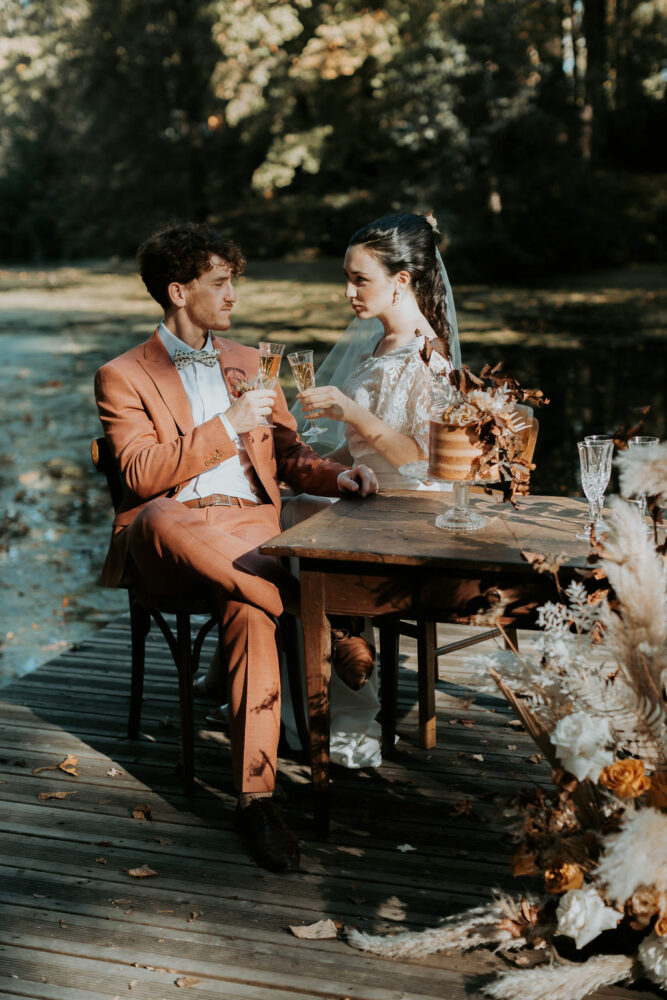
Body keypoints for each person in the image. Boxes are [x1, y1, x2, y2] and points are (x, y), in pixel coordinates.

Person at [93, 221, 378, 874]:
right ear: (178, 291)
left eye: (233, 282)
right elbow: (138, 475)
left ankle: (256, 800)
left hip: (249, 537)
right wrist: (226, 425)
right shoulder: (122, 375)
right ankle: (315, 619)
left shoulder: (252, 362)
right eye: (219, 283)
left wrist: (338, 476)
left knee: (249, 611)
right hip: (170, 540)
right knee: (157, 514)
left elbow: (290, 455)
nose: (232, 296)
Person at [281, 212, 461, 766]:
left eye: (360, 279)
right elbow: (358, 451)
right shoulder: (382, 344)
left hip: (407, 511)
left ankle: (344, 706)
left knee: (283, 527)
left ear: (401, 280)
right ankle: (296, 690)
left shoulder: (430, 357)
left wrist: (352, 412)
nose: (348, 291)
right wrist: (300, 466)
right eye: (348, 277)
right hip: (365, 496)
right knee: (278, 507)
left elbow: (425, 461)